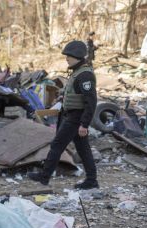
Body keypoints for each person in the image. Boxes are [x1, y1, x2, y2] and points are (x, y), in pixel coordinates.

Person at [27, 40, 98, 190]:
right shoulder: (78, 73)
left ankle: (44, 177)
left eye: (69, 56)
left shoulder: (85, 75)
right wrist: (62, 97)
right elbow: (75, 94)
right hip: (72, 116)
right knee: (83, 149)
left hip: (76, 118)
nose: (66, 58)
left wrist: (84, 124)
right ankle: (92, 180)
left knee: (57, 145)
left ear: (77, 56)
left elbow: (91, 102)